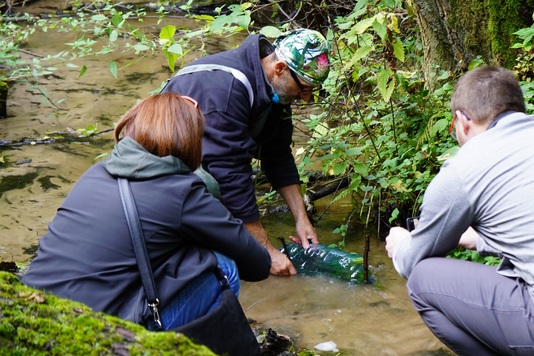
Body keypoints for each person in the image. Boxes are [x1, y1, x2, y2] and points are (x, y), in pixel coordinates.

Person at [22, 93, 271, 330]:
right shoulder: (182, 191)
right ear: (190, 141)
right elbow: (258, 265)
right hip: (97, 330)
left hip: (34, 311)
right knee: (224, 266)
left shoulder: (96, 173)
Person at [385, 66, 534, 354]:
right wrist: (479, 240)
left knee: (422, 279)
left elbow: (410, 262)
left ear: (462, 120)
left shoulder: (464, 167)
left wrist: (402, 244)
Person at [160, 29, 331, 276]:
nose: (306, 98)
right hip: (163, 168)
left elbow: (278, 155)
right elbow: (230, 176)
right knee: (210, 189)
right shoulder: (227, 92)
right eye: (304, 88)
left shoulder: (276, 91)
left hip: (203, 159)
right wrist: (266, 251)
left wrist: (301, 219)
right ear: (280, 68)